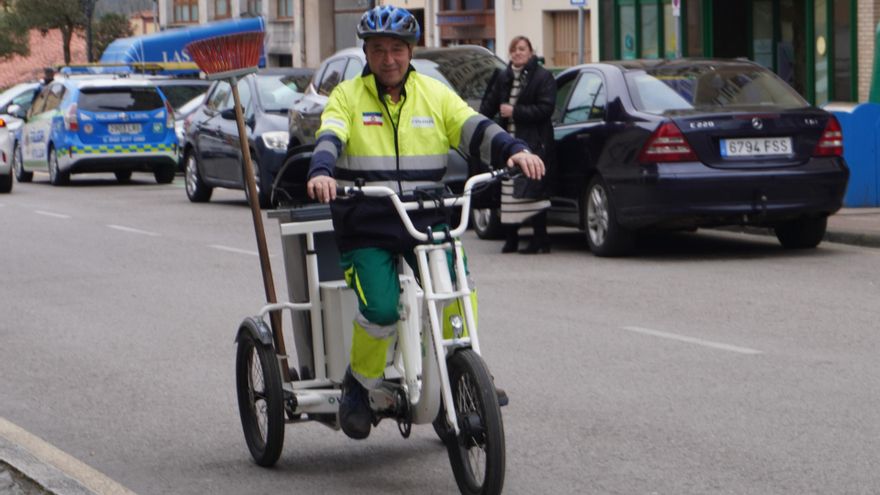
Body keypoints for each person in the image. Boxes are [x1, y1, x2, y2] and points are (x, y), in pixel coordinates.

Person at [307, 5, 544, 440]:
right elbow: (331, 135)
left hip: (426, 217)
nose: (389, 59)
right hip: (369, 221)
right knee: (379, 308)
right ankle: (359, 385)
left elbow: (472, 125)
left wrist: (513, 149)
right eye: (378, 50)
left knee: (455, 294)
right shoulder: (347, 97)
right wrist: (321, 171)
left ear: (410, 51)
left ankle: (464, 371)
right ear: (367, 52)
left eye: (397, 49)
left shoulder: (433, 94)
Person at [479, 36, 556, 254]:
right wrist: (474, 123)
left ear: (531, 52)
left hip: (535, 143)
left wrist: (516, 112)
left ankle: (540, 238)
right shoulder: (503, 76)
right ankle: (511, 238)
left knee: (534, 193)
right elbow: (488, 106)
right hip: (509, 142)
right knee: (508, 190)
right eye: (514, 49)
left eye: (522, 49)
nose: (517, 53)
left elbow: (546, 109)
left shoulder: (542, 77)